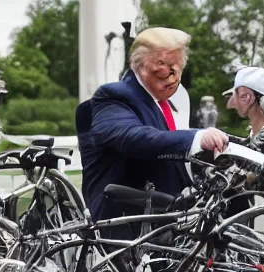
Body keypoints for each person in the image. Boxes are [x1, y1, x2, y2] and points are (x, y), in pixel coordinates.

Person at [77, 27, 229, 232]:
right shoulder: (114, 95)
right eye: (162, 66)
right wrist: (197, 138)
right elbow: (132, 137)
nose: (172, 75)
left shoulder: (175, 99)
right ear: (140, 64)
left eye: (177, 66)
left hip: (170, 219)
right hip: (128, 225)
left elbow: (172, 139)